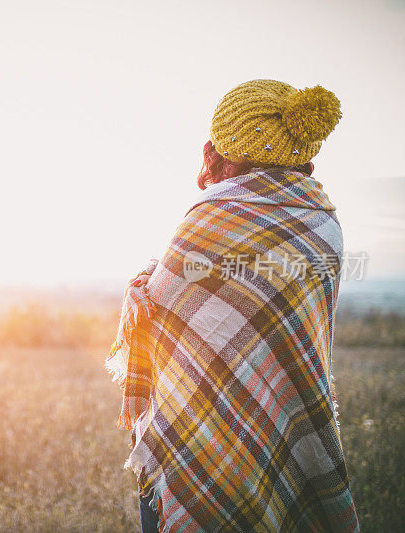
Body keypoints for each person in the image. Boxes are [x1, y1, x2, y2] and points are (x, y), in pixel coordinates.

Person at [106, 79, 359, 532]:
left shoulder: (206, 220)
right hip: (287, 430)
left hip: (194, 442)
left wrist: (142, 282)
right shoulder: (324, 226)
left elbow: (159, 309)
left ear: (218, 150)